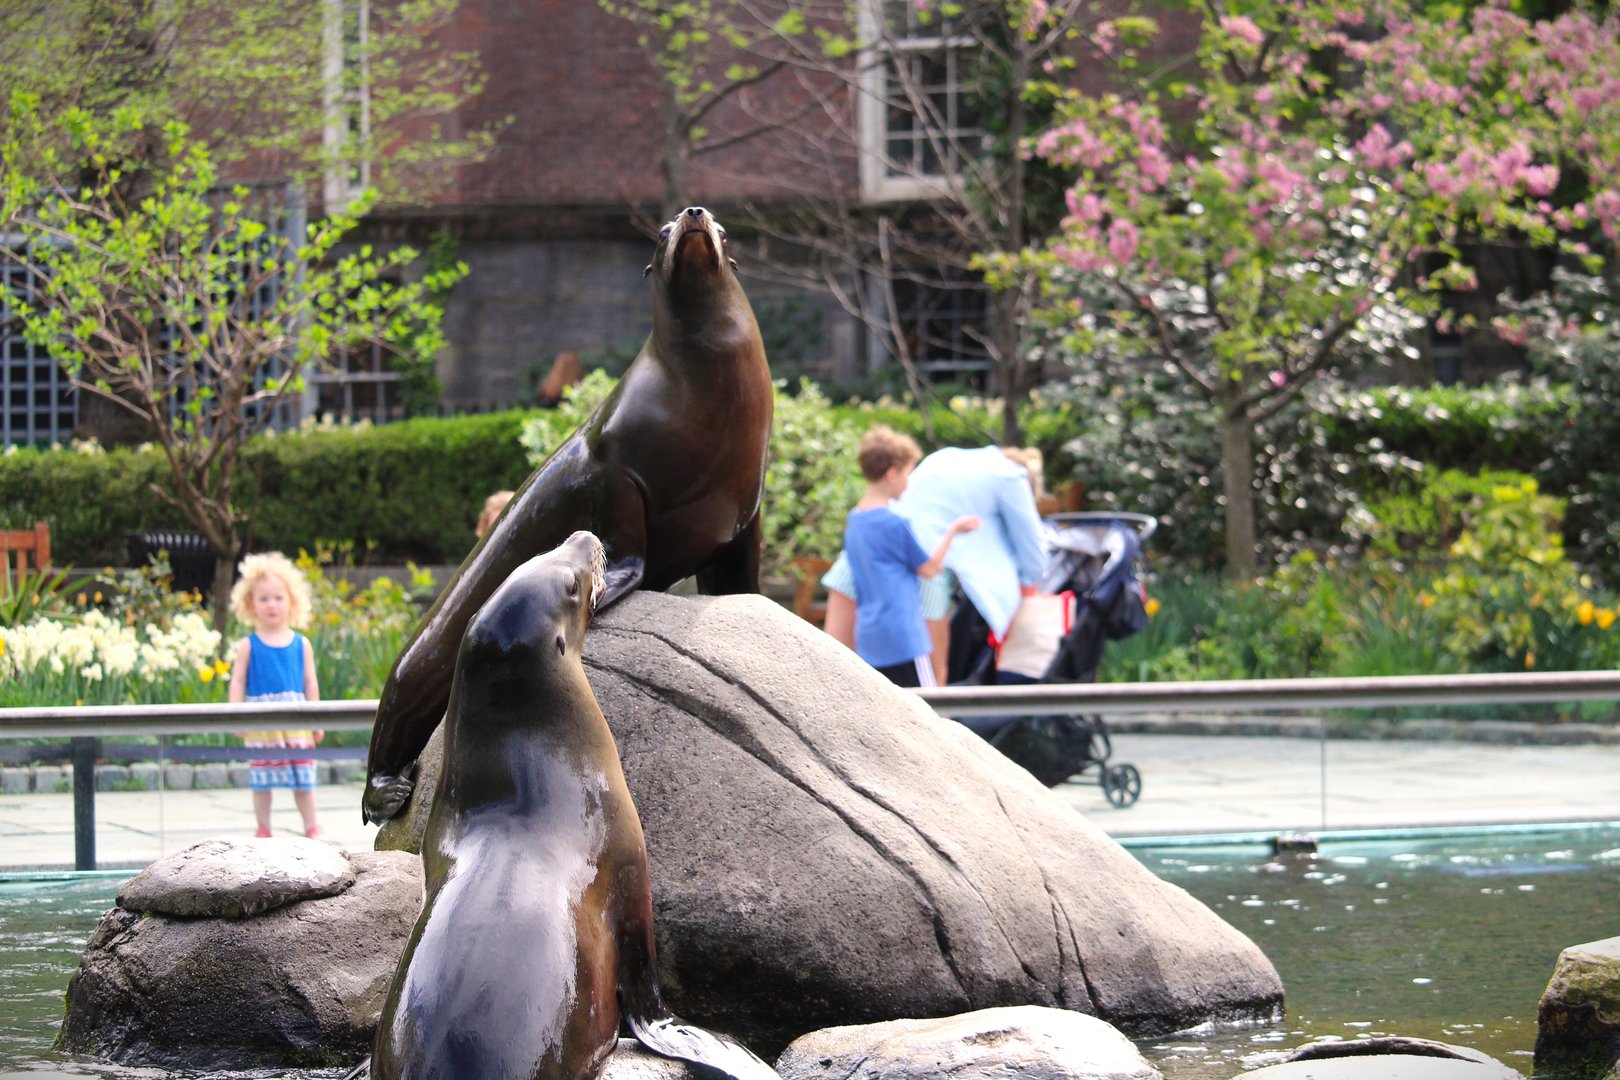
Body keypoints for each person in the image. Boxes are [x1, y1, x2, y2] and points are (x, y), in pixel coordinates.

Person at [823, 444, 1048, 684]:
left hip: (860, 555)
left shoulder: (948, 456)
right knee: (932, 681)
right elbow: (1034, 550)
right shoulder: (1011, 476)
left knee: (832, 666)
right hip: (920, 570)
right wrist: (1027, 584)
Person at [844, 427, 979, 688]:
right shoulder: (895, 523)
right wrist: (953, 530)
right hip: (903, 638)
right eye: (908, 473)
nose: (909, 482)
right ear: (892, 474)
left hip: (870, 637)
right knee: (924, 706)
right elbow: (930, 569)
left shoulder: (854, 520)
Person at [228, 552, 324, 839]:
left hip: (296, 719)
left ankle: (311, 825)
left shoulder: (301, 644)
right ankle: (263, 826)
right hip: (262, 721)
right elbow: (237, 681)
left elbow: (310, 683)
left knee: (303, 777)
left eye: (278, 598)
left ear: (291, 601)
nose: (272, 604)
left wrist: (317, 719)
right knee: (262, 779)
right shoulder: (248, 645)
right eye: (264, 598)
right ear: (251, 604)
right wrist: (236, 716)